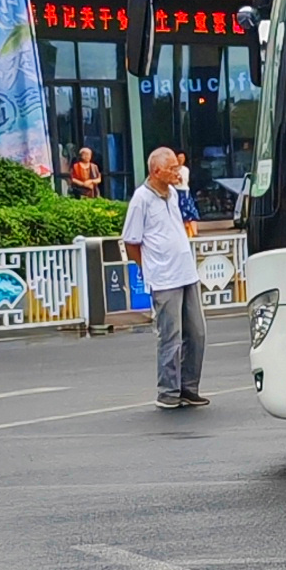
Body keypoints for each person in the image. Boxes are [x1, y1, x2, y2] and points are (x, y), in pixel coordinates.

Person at [122, 149, 210, 408]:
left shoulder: (172, 194)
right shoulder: (141, 199)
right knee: (171, 336)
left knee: (196, 333)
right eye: (172, 168)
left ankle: (189, 387)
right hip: (164, 278)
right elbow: (131, 241)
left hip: (186, 273)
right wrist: (148, 267)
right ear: (156, 171)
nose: (177, 172)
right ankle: (168, 391)